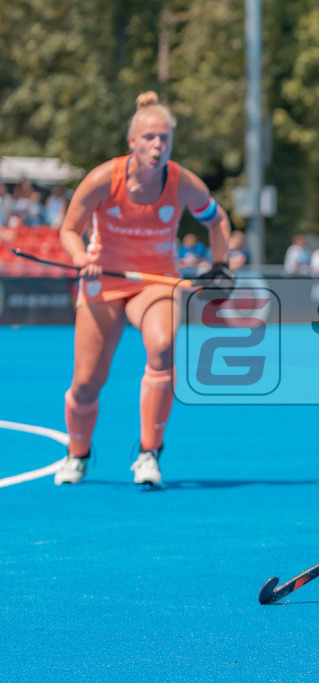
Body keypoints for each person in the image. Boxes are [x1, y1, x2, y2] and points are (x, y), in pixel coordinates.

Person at [53, 91, 232, 487]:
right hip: (105, 282)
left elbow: (217, 221)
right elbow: (69, 230)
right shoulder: (103, 179)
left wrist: (220, 265)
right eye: (150, 138)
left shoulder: (182, 183)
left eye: (164, 139)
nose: (157, 146)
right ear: (132, 141)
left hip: (156, 282)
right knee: (86, 382)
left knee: (163, 348)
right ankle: (77, 455)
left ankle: (149, 453)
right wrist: (82, 258)